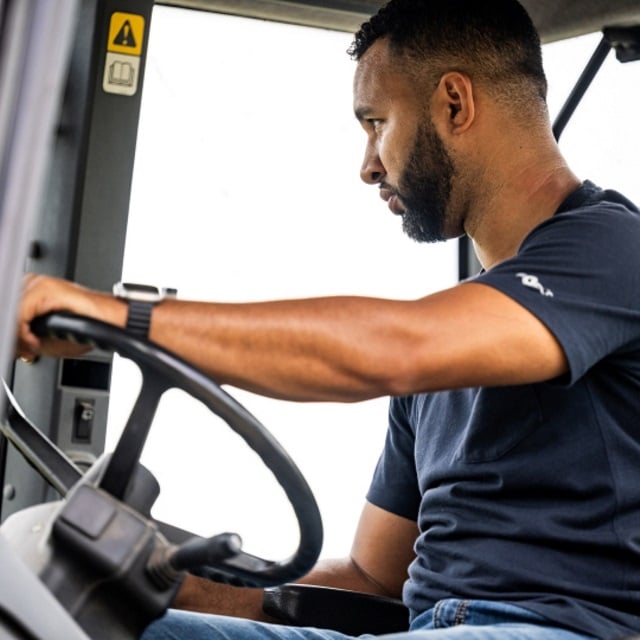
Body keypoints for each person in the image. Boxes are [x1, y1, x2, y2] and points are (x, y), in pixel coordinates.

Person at [15, 0, 640, 638]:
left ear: (454, 104)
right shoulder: (454, 339)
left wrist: (126, 319)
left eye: (376, 122)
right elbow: (373, 578)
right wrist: (163, 579)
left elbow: (391, 348)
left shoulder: (614, 252)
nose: (368, 164)